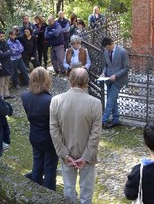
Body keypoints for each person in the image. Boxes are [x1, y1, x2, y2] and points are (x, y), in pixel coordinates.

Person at [50, 68, 102, 204]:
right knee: (87, 190)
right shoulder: (95, 103)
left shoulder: (56, 101)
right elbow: (96, 134)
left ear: (70, 80)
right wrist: (86, 156)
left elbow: (54, 131)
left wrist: (64, 154)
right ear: (87, 82)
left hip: (67, 152)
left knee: (68, 188)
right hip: (87, 154)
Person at [21, 67, 58, 190]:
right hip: (48, 137)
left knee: (37, 163)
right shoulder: (50, 100)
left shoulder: (25, 96)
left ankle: (36, 189)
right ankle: (49, 193)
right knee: (50, 167)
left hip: (35, 134)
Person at [100, 37, 129, 129]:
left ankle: (103, 121)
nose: (106, 49)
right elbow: (106, 65)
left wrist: (116, 75)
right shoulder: (105, 52)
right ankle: (116, 119)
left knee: (109, 101)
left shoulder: (122, 52)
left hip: (118, 80)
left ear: (109, 45)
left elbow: (126, 68)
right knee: (112, 100)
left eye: (106, 47)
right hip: (108, 79)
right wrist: (103, 72)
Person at [0, 30, 13, 99]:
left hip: (8, 63)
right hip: (2, 64)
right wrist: (7, 52)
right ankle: (1, 96)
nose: (2, 38)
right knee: (2, 82)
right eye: (1, 36)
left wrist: (6, 53)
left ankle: (7, 94)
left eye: (3, 36)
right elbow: (0, 55)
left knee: (7, 80)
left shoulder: (6, 42)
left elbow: (11, 51)